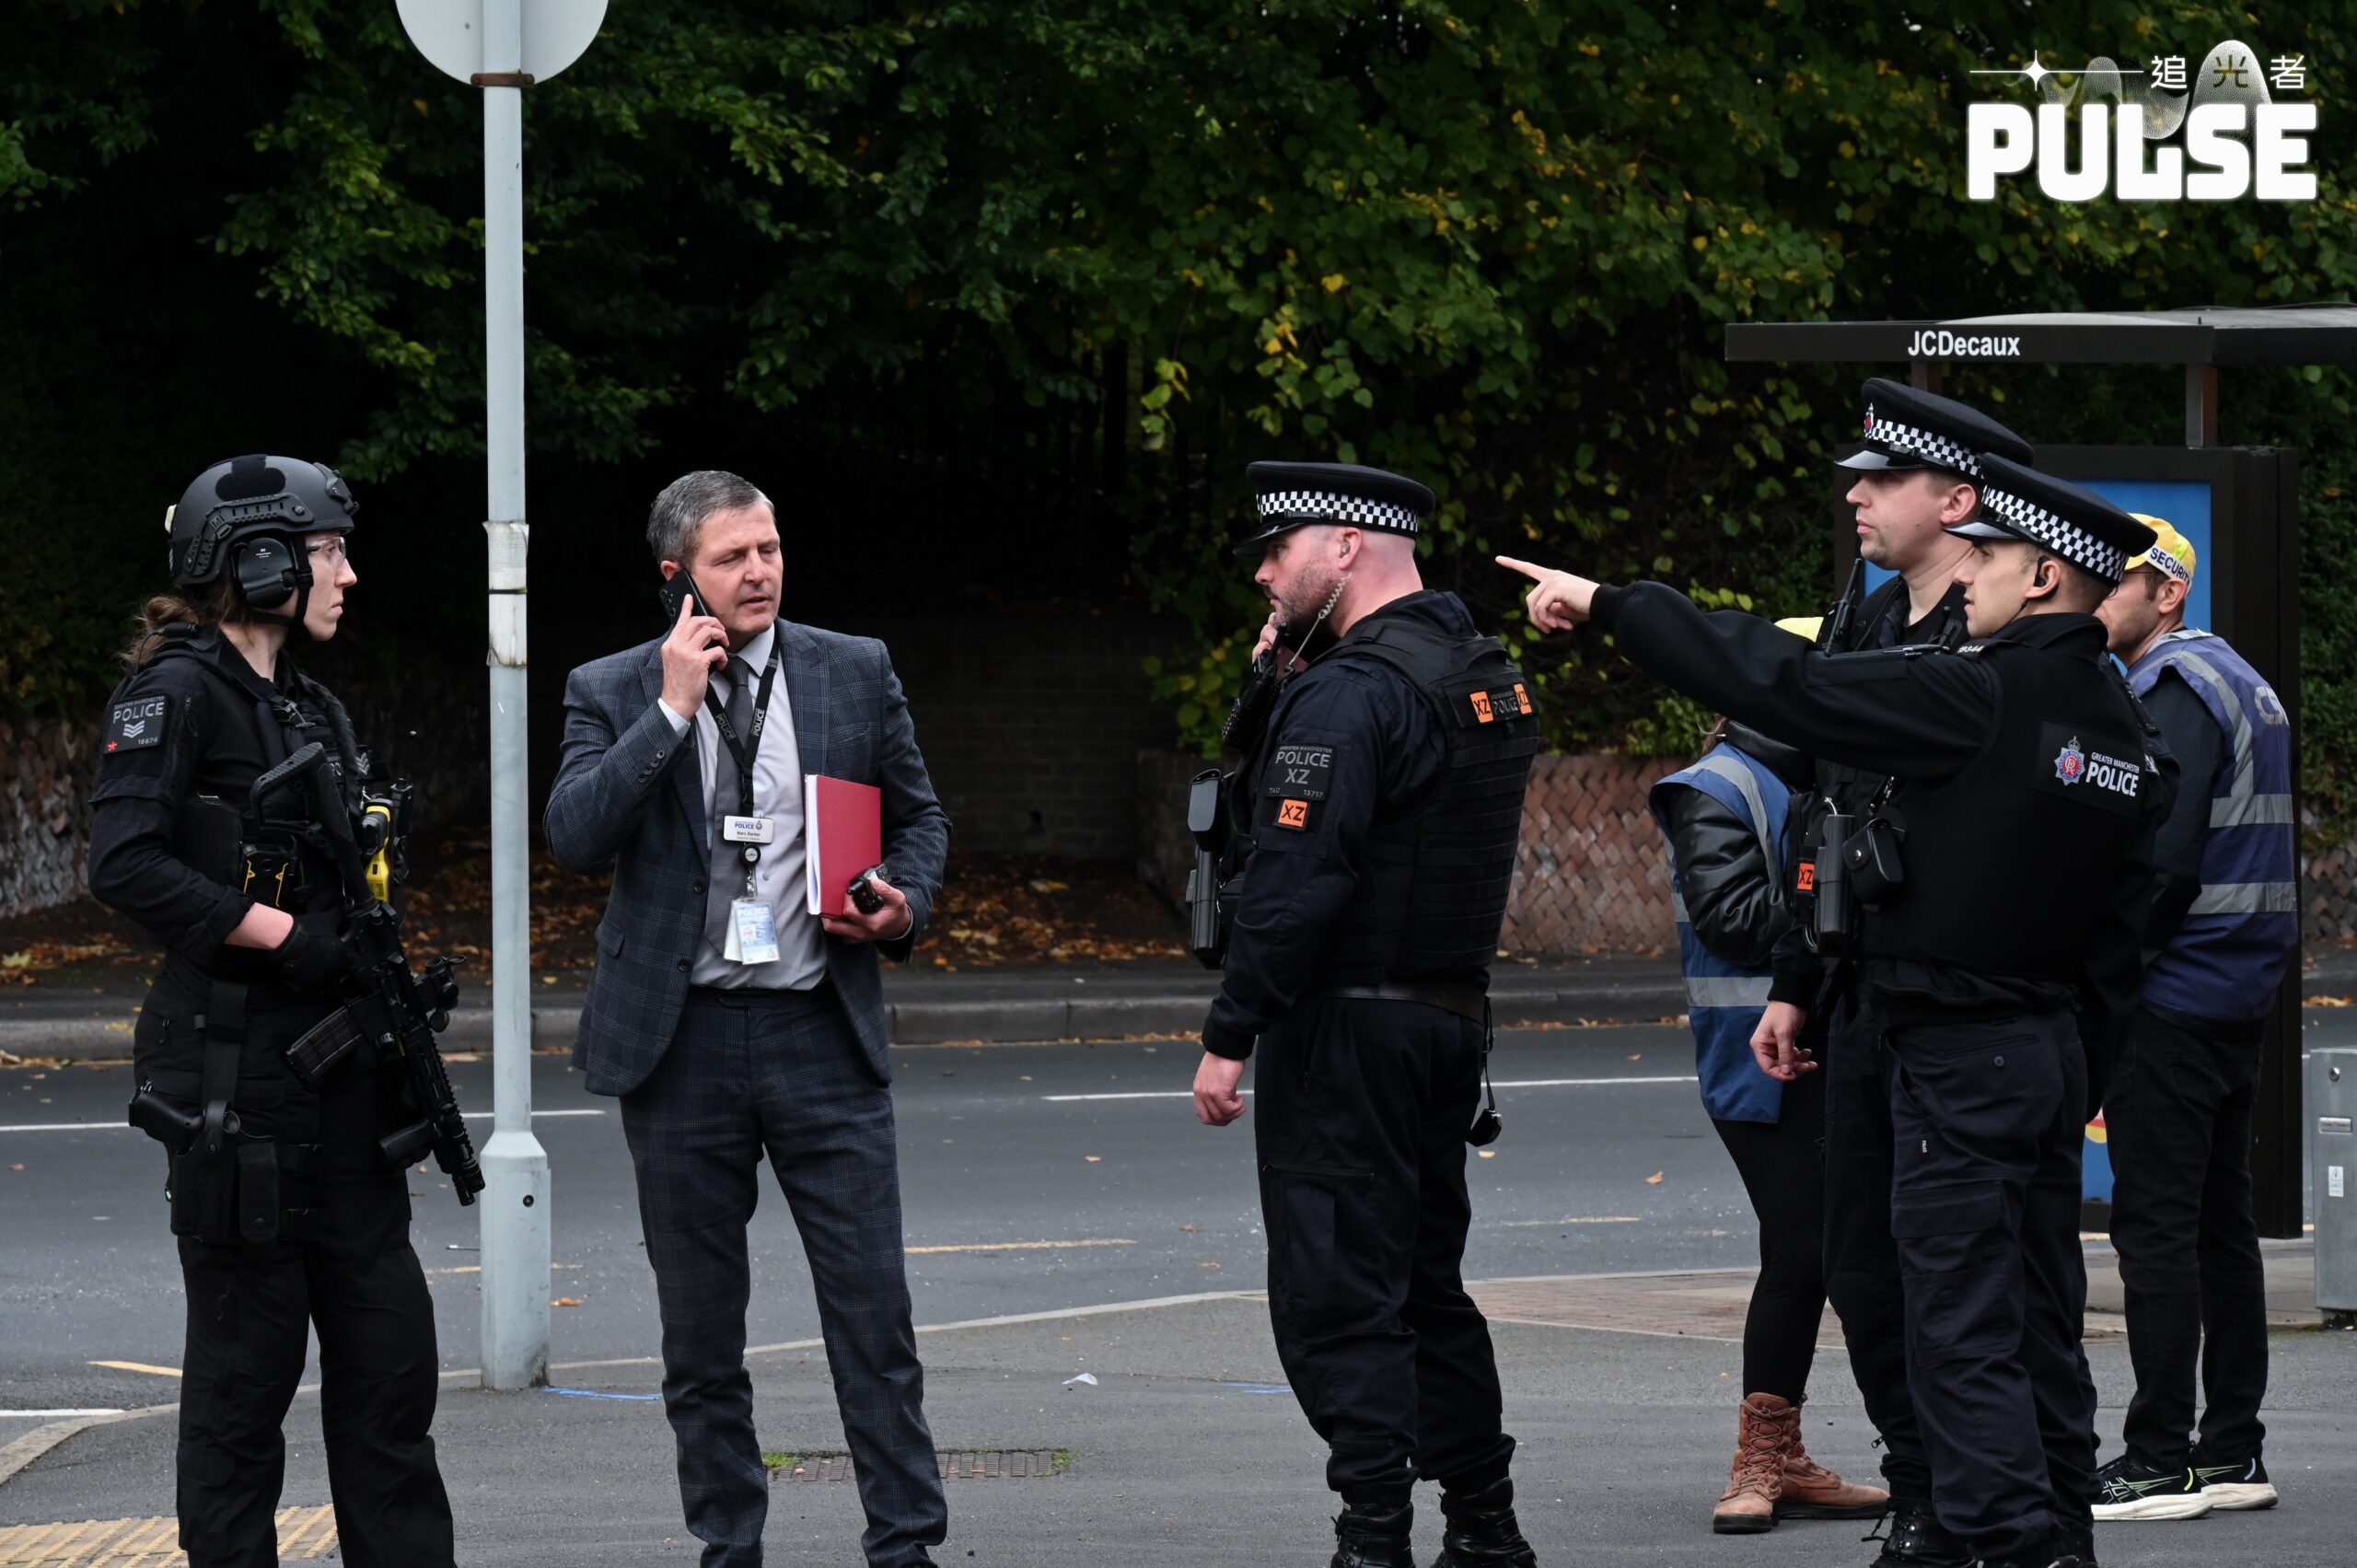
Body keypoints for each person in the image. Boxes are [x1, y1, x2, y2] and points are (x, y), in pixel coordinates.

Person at [1504, 452, 2177, 1568]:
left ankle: (2005, 1543)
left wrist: (1620, 606)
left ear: (2043, 575)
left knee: (1955, 1325)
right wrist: (2066, 1063)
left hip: (1953, 1045)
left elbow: (1790, 681)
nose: (1968, 577)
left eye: (1988, 558)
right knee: (2031, 1313)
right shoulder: (2110, 718)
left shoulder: (1984, 691)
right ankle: (2054, 1533)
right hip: (2039, 1047)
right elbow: (2119, 932)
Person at [543, 470, 953, 1568]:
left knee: (873, 1317)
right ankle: (729, 1545)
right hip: (680, 1042)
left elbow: (919, 818)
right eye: (732, 557)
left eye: (769, 548)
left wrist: (905, 900)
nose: (760, 571)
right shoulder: (612, 686)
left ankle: (906, 1545)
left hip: (820, 1026)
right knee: (701, 1337)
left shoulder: (851, 667)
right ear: (677, 574)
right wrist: (671, 709)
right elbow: (575, 834)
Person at [89, 455, 456, 1568]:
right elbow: (125, 861)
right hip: (235, 1080)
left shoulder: (307, 701)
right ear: (256, 557)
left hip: (344, 1083)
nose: (347, 573)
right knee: (242, 1395)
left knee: (391, 1368)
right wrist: (283, 936)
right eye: (329, 550)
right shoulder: (175, 692)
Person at [1189, 461, 1542, 1568]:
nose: (1263, 572)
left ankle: (1372, 1537)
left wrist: (1230, 1031)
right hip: (1445, 1020)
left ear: (1344, 545)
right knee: (1427, 1284)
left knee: (1343, 1291)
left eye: (1277, 549)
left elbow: (1294, 877)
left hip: (1344, 1029)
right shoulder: (1478, 667)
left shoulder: (1351, 692)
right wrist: (1274, 681)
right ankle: (1484, 1522)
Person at [1729, 378, 2038, 1568]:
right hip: (1858, 992)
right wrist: (1795, 982)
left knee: (1959, 1272)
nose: (1855, 497)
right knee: (1858, 1260)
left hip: (1957, 1000)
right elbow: (1827, 821)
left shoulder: (1991, 637)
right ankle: (1919, 1485)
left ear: (1955, 500)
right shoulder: (1862, 620)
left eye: (1882, 478)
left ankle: (1979, 1504)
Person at [1644, 633, 1887, 1537]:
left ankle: (1779, 1454)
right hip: (1763, 1062)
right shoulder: (1716, 785)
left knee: (1818, 1251)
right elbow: (1735, 918)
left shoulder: (1816, 779)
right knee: (1803, 1251)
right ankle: (1762, 1457)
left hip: (1822, 1048)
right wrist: (1853, 886)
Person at [2087, 517, 2294, 1521]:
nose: (2095, 596)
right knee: (2220, 1225)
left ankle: (2157, 1458)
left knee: (2155, 1227)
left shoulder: (2171, 686)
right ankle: (2232, 1450)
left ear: (2166, 591)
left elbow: (2162, 862)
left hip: (2172, 990)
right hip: (2237, 989)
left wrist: (2108, 975)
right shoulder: (2240, 679)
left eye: (2114, 580)